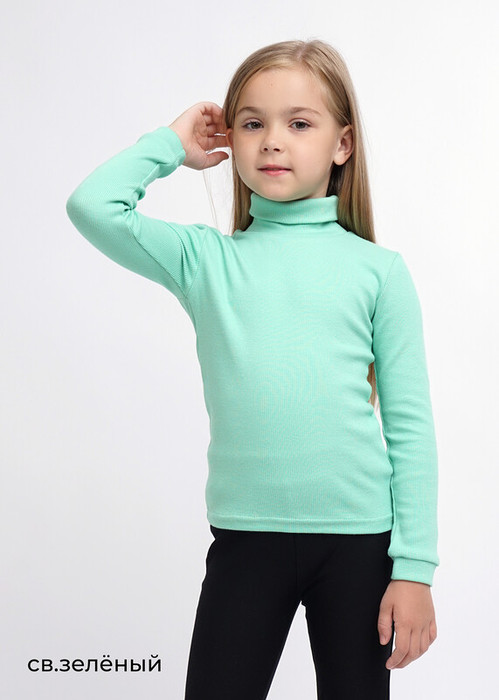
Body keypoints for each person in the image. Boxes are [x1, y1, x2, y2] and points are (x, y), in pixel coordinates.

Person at [66, 39, 439, 700]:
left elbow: (410, 430)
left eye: (299, 123)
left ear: (342, 144)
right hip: (246, 539)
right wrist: (169, 144)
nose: (272, 141)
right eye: (251, 122)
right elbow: (93, 206)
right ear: (230, 140)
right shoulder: (205, 261)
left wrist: (413, 569)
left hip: (358, 545)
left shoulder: (379, 273)